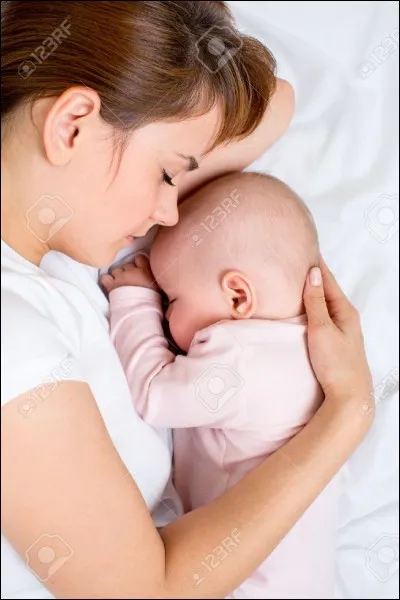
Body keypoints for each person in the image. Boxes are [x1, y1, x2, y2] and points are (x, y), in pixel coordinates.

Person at [1, 2, 374, 599]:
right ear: (71, 126)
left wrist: (164, 51)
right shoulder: (13, 336)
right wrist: (346, 414)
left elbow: (274, 103)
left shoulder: (66, 242)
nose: (170, 213)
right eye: (170, 175)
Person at [103, 171, 343, 599]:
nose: (163, 310)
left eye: (171, 299)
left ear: (238, 297)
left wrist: (134, 299)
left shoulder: (241, 357)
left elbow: (154, 394)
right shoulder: (306, 350)